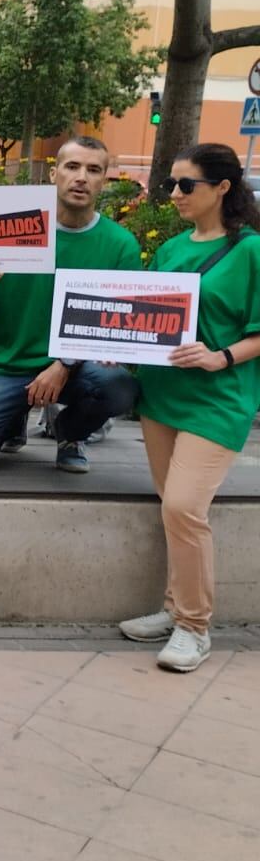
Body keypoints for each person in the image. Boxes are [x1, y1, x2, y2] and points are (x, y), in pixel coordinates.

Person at [119, 144, 260, 672]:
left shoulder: (250, 250)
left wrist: (220, 356)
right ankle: (174, 609)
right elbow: (147, 315)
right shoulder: (173, 249)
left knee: (183, 507)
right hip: (162, 396)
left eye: (186, 185)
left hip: (219, 400)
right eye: (171, 184)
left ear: (222, 188)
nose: (174, 194)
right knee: (171, 507)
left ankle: (194, 627)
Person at [0, 137, 141, 474]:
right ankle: (13, 416)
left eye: (93, 169)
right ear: (54, 174)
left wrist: (63, 365)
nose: (81, 177)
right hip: (7, 363)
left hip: (75, 368)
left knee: (120, 387)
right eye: (72, 166)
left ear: (103, 180)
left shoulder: (120, 244)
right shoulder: (10, 225)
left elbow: (115, 323)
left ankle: (69, 433)